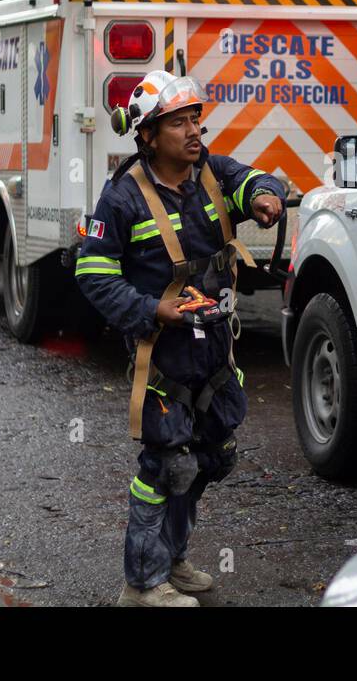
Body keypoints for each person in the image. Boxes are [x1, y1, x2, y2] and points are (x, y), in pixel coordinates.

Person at [77, 69, 286, 607]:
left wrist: (264, 197)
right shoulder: (122, 199)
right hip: (165, 355)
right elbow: (92, 274)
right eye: (178, 122)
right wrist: (151, 309)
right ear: (147, 134)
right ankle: (142, 584)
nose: (194, 130)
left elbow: (255, 177)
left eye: (196, 118)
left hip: (214, 351)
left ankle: (171, 557)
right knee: (167, 464)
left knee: (212, 457)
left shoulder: (212, 176)